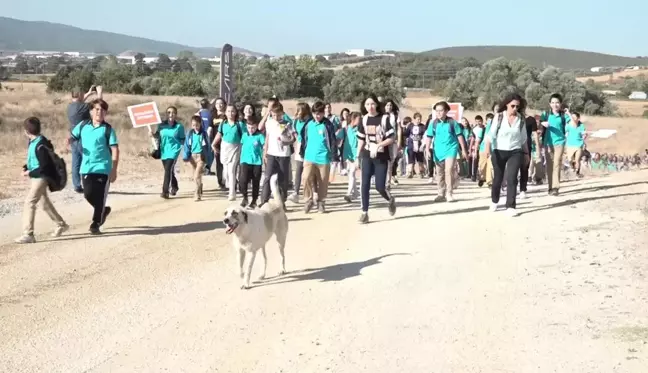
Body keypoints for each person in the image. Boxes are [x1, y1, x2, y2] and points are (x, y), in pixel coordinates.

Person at [14, 117, 69, 244]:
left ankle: (28, 234)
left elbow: (44, 167)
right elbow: (35, 160)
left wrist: (29, 172)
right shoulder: (34, 142)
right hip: (36, 176)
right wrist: (27, 167)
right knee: (44, 204)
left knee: (29, 202)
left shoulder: (40, 145)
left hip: (41, 177)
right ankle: (61, 224)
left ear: (26, 131)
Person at [69, 99, 119, 234]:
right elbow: (73, 136)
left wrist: (114, 169)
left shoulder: (108, 129)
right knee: (88, 194)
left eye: (102, 110)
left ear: (106, 113)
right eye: (97, 109)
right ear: (91, 111)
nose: (99, 112)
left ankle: (95, 223)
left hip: (104, 168)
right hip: (86, 167)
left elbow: (114, 149)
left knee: (101, 196)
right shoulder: (83, 125)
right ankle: (103, 210)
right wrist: (68, 141)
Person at [483, 93, 529, 217]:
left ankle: (511, 206)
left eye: (517, 107)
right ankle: (495, 200)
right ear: (506, 105)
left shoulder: (521, 120)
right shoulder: (498, 117)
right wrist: (487, 148)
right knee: (498, 178)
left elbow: (523, 139)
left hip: (515, 151)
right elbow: (491, 135)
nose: (515, 109)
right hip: (499, 150)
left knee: (512, 178)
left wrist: (526, 153)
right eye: (512, 106)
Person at [356, 94, 397, 224]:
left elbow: (391, 138)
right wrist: (357, 156)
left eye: (372, 104)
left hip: (381, 156)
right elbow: (361, 140)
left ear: (377, 105)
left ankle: (390, 199)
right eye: (367, 104)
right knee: (365, 184)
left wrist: (379, 145)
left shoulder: (384, 119)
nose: (370, 107)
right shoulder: (363, 120)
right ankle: (364, 212)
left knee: (380, 186)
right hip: (367, 155)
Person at [424, 101, 468, 203]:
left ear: (447, 111)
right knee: (439, 173)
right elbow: (429, 137)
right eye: (437, 111)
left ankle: (449, 193)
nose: (439, 113)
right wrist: (427, 149)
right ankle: (441, 193)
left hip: (451, 149)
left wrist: (464, 150)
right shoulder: (433, 123)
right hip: (438, 151)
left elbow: (460, 136)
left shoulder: (452, 123)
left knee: (448, 171)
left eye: (441, 110)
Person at [300, 101, 337, 213]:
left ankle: (321, 202)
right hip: (309, 157)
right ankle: (308, 200)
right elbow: (303, 138)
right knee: (305, 178)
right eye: (315, 113)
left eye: (320, 113)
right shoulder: (308, 124)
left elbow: (333, 141)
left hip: (323, 158)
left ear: (323, 113)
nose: (317, 116)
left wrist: (334, 156)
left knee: (323, 181)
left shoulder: (328, 125)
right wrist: (302, 152)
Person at [67, 85, 102, 193]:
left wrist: (89, 93)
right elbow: (98, 106)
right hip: (84, 138)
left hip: (73, 137)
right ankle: (91, 184)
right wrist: (99, 93)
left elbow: (79, 102)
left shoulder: (70, 106)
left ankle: (77, 185)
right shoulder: (83, 107)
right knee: (90, 160)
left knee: (76, 162)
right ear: (80, 95)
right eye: (83, 94)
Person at [261, 103, 295, 209]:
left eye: (278, 115)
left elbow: (293, 138)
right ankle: (264, 201)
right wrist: (265, 152)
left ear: (282, 113)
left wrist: (285, 141)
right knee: (268, 176)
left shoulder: (287, 124)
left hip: (283, 154)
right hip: (271, 154)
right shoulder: (269, 123)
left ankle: (282, 201)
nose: (276, 117)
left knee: (282, 178)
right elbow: (267, 137)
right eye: (274, 115)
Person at [149, 106, 185, 199]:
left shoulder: (179, 127)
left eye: (173, 112)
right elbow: (157, 136)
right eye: (169, 112)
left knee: (168, 169)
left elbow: (183, 139)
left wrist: (179, 147)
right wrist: (152, 135)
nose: (171, 114)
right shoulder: (161, 125)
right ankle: (175, 186)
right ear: (166, 114)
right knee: (168, 170)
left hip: (174, 151)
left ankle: (165, 191)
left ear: (176, 114)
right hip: (164, 151)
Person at [540, 93, 571, 196]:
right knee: (549, 166)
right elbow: (539, 122)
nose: (555, 104)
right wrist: (542, 123)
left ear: (561, 103)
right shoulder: (545, 114)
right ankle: (550, 187)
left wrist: (569, 113)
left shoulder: (563, 115)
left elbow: (572, 123)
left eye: (557, 102)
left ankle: (555, 187)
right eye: (552, 102)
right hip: (548, 143)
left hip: (559, 142)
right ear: (549, 104)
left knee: (557, 163)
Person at [212, 104, 245, 201]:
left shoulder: (239, 124)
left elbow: (245, 137)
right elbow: (219, 134)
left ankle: (232, 193)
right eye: (228, 111)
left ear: (236, 112)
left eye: (233, 111)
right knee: (225, 172)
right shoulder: (223, 124)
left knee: (231, 170)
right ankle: (230, 185)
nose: (231, 113)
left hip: (235, 147)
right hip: (225, 147)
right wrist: (213, 144)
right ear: (225, 113)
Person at [288, 102, 312, 204]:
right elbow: (295, 133)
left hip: (309, 147)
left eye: (299, 110)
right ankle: (296, 193)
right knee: (298, 170)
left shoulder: (311, 121)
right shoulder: (296, 122)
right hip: (300, 146)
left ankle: (309, 194)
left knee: (309, 173)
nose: (297, 112)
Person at [239, 119, 265, 208]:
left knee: (256, 181)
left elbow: (264, 146)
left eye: (253, 127)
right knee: (243, 180)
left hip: (256, 162)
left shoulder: (260, 136)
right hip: (245, 161)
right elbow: (242, 146)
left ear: (256, 126)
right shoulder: (244, 135)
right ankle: (245, 197)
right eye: (249, 127)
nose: (251, 129)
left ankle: (254, 200)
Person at [183, 116, 210, 201]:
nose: (196, 127)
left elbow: (207, 146)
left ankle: (197, 194)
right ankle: (200, 185)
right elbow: (186, 145)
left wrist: (207, 158)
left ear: (200, 124)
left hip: (201, 156)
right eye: (194, 125)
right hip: (192, 156)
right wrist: (186, 156)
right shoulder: (190, 134)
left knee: (196, 175)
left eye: (197, 125)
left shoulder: (204, 134)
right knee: (196, 174)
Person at [519, 115, 540, 199]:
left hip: (526, 145)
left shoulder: (531, 120)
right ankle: (511, 189)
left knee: (524, 168)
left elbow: (535, 133)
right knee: (512, 168)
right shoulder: (513, 117)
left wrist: (538, 147)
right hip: (513, 145)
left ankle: (522, 189)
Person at [343, 111, 361, 202]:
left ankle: (349, 193)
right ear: (353, 119)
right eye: (358, 118)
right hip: (348, 153)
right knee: (351, 173)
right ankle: (356, 192)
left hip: (356, 154)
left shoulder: (359, 129)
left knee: (352, 173)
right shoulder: (347, 128)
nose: (360, 120)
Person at [384, 99, 402, 187]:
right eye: (387, 105)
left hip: (393, 140)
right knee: (382, 161)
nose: (389, 107)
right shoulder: (381, 115)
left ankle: (388, 181)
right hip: (383, 141)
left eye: (390, 105)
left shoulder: (395, 116)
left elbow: (399, 129)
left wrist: (399, 141)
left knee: (391, 161)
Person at [565, 112, 587, 177]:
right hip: (569, 144)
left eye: (575, 117)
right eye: (572, 117)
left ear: (578, 118)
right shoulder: (569, 125)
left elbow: (584, 133)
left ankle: (578, 173)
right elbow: (565, 132)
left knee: (577, 159)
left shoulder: (581, 125)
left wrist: (584, 136)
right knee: (570, 160)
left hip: (578, 144)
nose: (573, 119)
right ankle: (572, 167)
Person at [405, 113, 426, 178]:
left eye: (420, 119)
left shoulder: (422, 126)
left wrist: (423, 144)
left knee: (420, 160)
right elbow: (406, 134)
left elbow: (424, 135)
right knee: (410, 159)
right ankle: (410, 172)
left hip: (419, 145)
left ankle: (421, 172)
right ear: (414, 119)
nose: (419, 120)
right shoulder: (410, 126)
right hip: (411, 145)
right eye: (418, 119)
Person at [477, 111, 496, 187]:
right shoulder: (483, 129)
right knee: (482, 165)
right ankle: (482, 178)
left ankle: (489, 181)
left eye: (491, 119)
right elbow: (478, 140)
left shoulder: (495, 129)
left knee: (490, 166)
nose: (490, 121)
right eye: (488, 120)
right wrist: (475, 149)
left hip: (492, 150)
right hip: (482, 149)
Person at [196, 98, 214, 175]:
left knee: (201, 152)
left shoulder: (198, 114)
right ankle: (207, 169)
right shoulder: (210, 114)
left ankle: (200, 169)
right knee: (210, 153)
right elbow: (211, 125)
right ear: (208, 105)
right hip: (208, 135)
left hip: (199, 135)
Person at [470, 115, 485, 182]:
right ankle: (474, 175)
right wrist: (470, 148)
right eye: (477, 122)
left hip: (483, 147)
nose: (478, 123)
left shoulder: (485, 128)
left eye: (479, 121)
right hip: (476, 147)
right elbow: (472, 139)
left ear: (482, 121)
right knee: (475, 161)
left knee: (482, 162)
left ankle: (482, 175)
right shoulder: (474, 129)